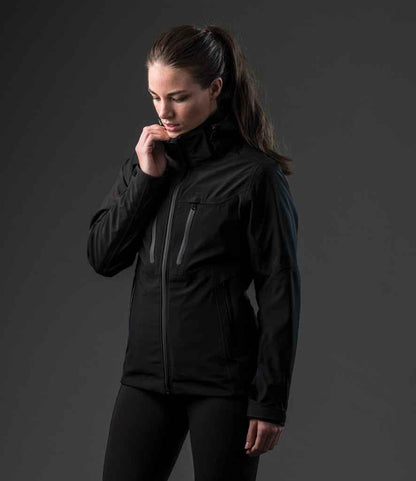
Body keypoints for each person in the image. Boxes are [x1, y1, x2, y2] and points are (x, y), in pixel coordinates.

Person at [87, 24, 301, 481]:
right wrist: (148, 180)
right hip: (145, 378)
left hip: (223, 385)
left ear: (215, 88)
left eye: (178, 97)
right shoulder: (147, 163)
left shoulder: (254, 177)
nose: (164, 112)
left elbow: (279, 291)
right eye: (154, 97)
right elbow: (103, 257)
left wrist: (269, 400)